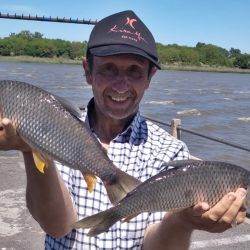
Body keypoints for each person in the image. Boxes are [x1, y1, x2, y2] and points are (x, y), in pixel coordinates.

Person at [0, 10, 247, 250]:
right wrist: (29, 145)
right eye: (109, 68)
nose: (121, 84)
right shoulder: (57, 127)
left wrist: (182, 222)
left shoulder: (170, 152)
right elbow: (57, 227)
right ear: (87, 71)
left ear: (150, 77)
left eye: (134, 71)